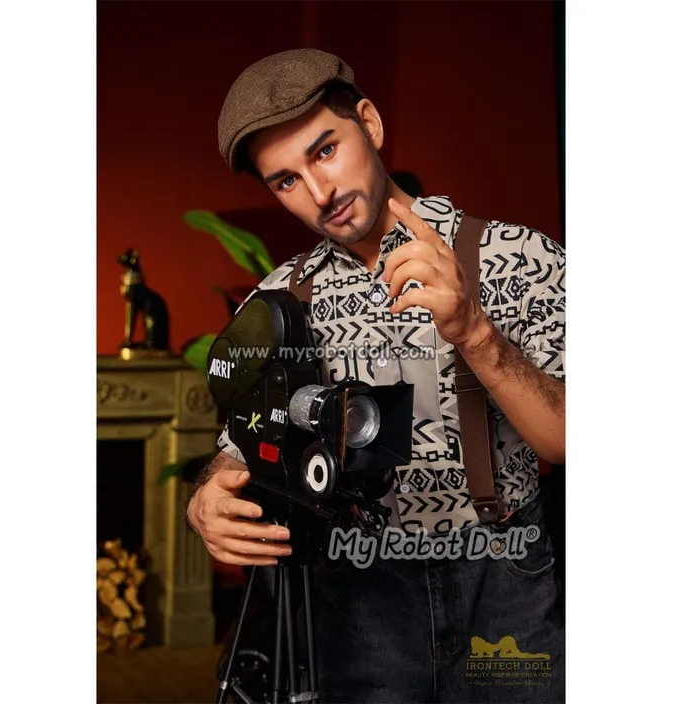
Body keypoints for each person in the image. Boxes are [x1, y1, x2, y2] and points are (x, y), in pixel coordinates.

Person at [187, 48, 565, 703]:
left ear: (370, 122)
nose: (319, 192)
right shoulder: (278, 305)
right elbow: (245, 452)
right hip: (359, 601)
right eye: (285, 181)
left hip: (502, 588)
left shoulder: (519, 257)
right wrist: (210, 496)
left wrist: (476, 333)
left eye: (325, 150)